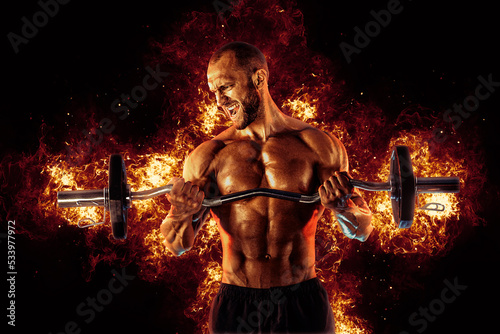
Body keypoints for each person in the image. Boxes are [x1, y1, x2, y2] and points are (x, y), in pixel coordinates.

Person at [160, 41, 373, 333]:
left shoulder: (318, 146)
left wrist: (342, 207)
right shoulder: (208, 155)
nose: (219, 102)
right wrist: (181, 214)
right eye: (214, 93)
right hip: (236, 304)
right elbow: (177, 245)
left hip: (302, 300)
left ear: (259, 78)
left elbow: (361, 229)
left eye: (226, 88)